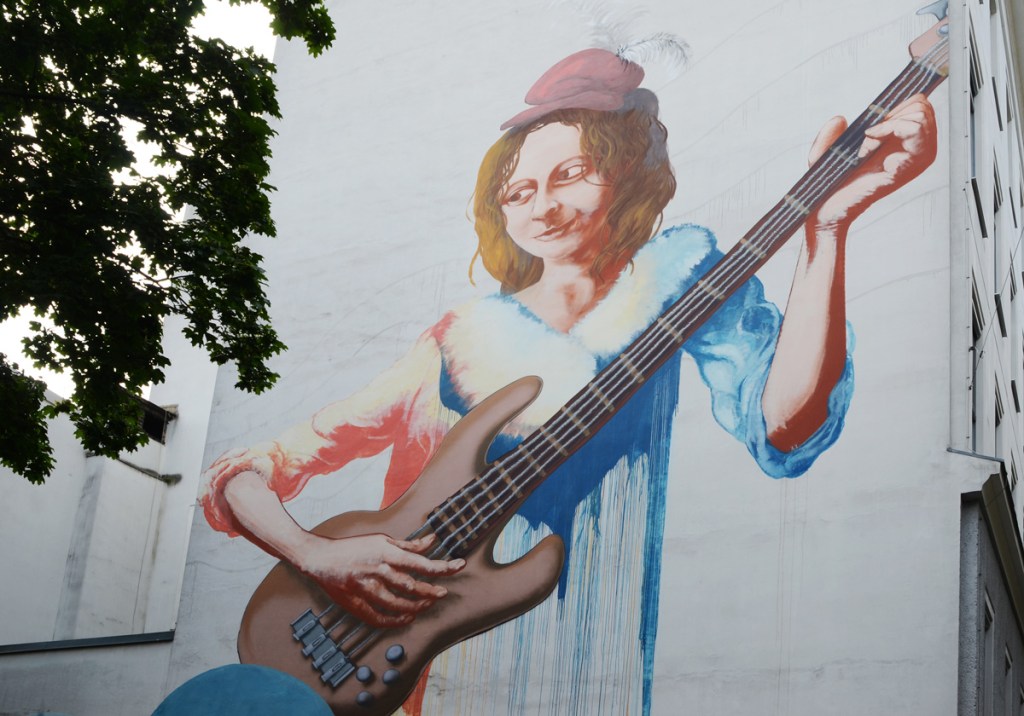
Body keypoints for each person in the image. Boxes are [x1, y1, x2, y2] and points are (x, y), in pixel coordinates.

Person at [200, 48, 937, 715]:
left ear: (628, 174)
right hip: (408, 666)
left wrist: (828, 230)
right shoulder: (457, 341)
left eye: (571, 174)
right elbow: (249, 474)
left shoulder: (683, 285)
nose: (542, 206)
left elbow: (786, 425)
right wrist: (319, 554)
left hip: (603, 652)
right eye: (518, 191)